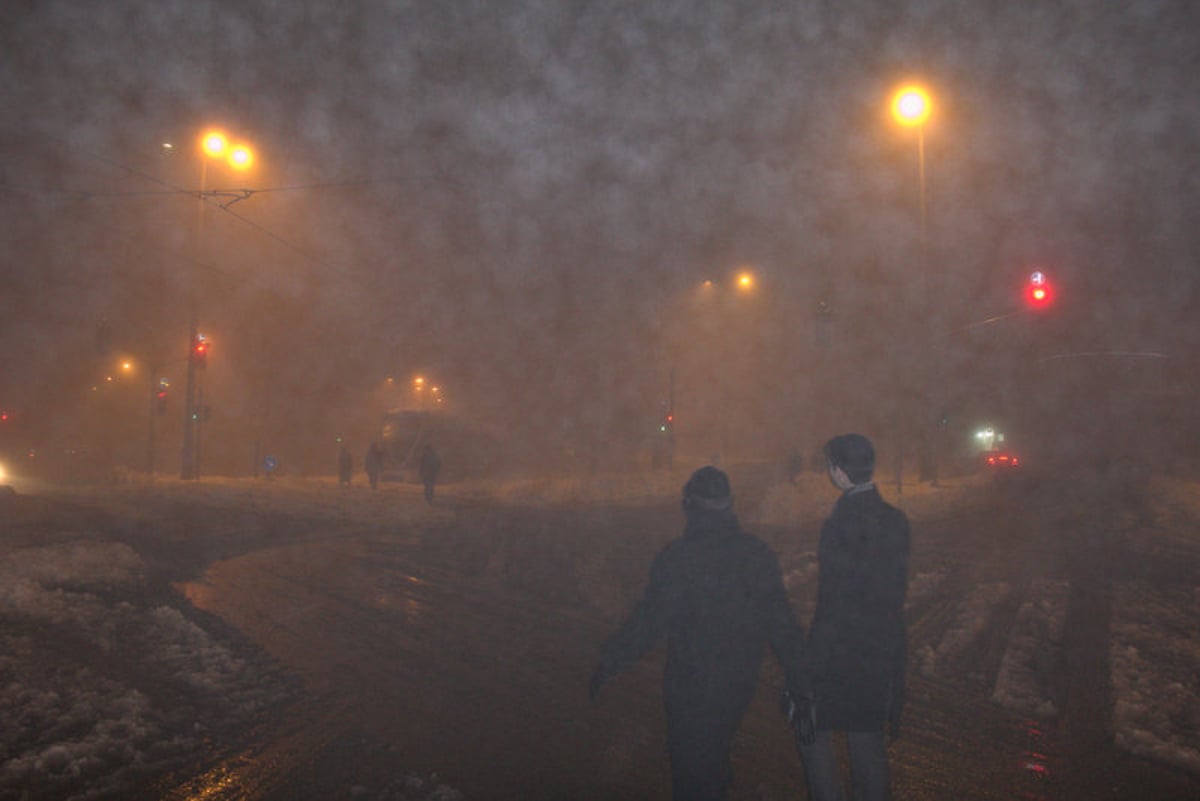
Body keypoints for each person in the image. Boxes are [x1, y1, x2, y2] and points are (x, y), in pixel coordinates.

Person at [589, 465, 808, 801]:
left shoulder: (678, 559)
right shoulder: (755, 555)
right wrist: (800, 676)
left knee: (691, 765)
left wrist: (611, 659)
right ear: (729, 504)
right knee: (712, 747)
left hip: (690, 680)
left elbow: (649, 621)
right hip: (738, 679)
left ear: (689, 505)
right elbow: (780, 622)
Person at [798, 434, 910, 801]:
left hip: (843, 654)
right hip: (880, 651)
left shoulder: (840, 526)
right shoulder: (896, 521)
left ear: (840, 472)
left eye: (831, 464)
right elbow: (893, 593)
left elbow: (833, 604)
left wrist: (809, 666)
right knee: (867, 743)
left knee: (809, 730)